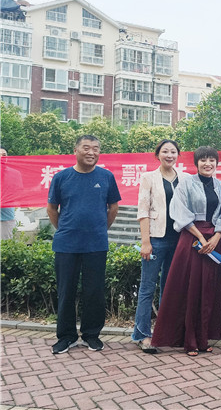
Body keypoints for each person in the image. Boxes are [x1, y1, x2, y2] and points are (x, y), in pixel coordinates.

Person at [151, 146, 221, 356]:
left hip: (213, 240)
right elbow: (180, 212)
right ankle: (189, 341)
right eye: (203, 160)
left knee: (208, 290)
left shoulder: (220, 185)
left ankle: (203, 339)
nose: (207, 164)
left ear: (216, 163)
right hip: (192, 240)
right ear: (196, 163)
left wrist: (217, 236)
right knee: (189, 289)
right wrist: (201, 237)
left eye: (211, 160)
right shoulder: (186, 183)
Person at [47, 135, 121, 354]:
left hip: (96, 244)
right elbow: (52, 208)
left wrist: (100, 229)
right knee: (66, 291)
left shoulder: (106, 176)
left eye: (96, 148)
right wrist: (65, 228)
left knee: (94, 291)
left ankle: (91, 335)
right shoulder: (61, 177)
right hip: (66, 244)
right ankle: (66, 336)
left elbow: (113, 207)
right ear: (76, 150)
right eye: (86, 148)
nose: (91, 152)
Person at [132, 140, 187, 353]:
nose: (169, 155)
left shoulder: (185, 178)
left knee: (170, 288)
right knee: (147, 288)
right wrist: (145, 242)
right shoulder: (149, 178)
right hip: (156, 239)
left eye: (173, 151)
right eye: (165, 151)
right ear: (158, 155)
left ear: (178, 155)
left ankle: (166, 334)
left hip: (179, 240)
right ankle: (142, 334)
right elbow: (143, 210)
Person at [0, 146, 23, 240]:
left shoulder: (15, 174)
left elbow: (19, 192)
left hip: (7, 215)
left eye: (4, 155)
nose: (2, 157)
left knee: (6, 242)